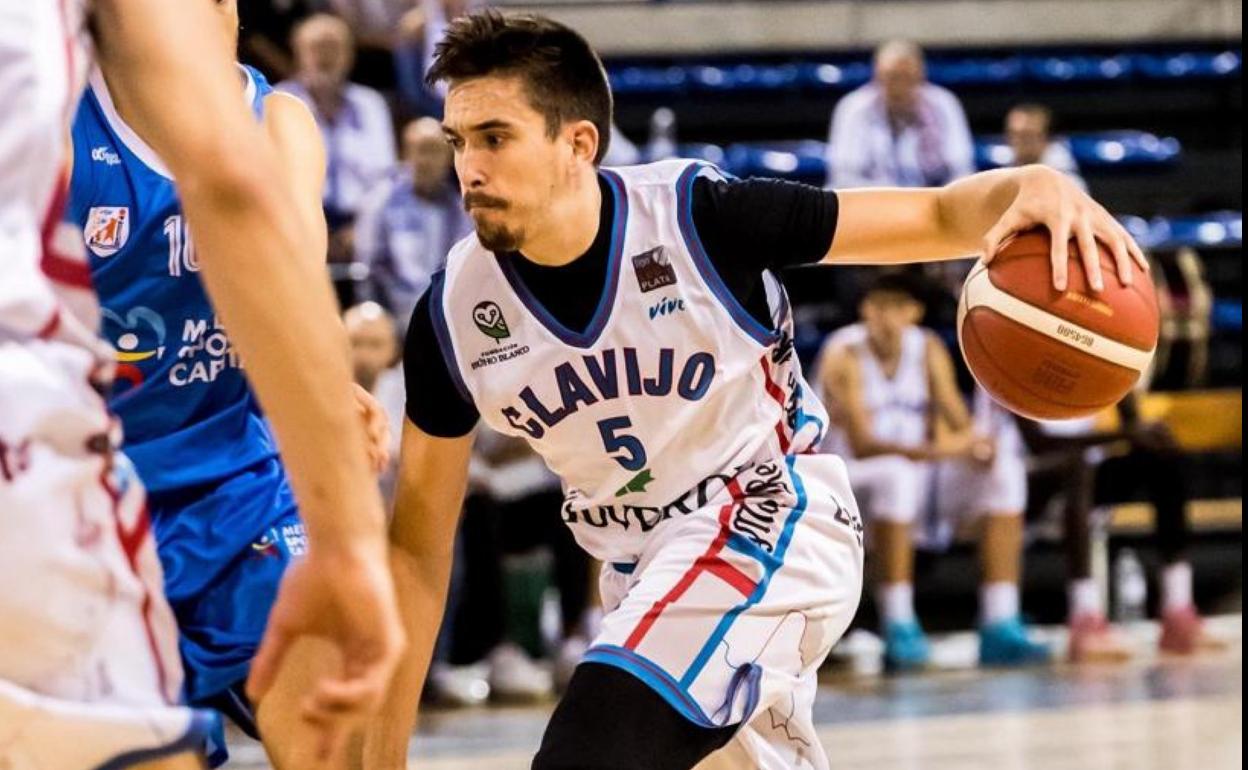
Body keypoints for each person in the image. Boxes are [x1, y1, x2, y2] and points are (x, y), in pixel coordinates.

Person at [367, 12, 1145, 770]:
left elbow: (937, 214)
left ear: (578, 144)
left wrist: (1032, 186)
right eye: (458, 141)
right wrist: (379, 755)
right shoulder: (452, 316)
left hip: (771, 518)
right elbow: (418, 550)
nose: (469, 166)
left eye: (495, 138)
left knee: (590, 749)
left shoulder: (703, 219)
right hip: (640, 575)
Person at [1, 1, 402, 769]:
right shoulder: (55, 116)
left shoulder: (278, 120)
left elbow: (290, 271)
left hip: (237, 485)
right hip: (85, 484)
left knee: (331, 741)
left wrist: (319, 384)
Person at [814, 273, 1049, 671]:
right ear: (863, 309)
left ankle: (999, 620)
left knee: (1003, 471)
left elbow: (957, 423)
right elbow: (863, 443)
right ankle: (899, 624)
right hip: (842, 483)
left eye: (896, 307)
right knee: (896, 473)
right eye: (877, 306)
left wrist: (974, 445)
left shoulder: (927, 348)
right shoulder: (843, 352)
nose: (885, 317)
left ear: (914, 313)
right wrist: (940, 448)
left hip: (913, 478)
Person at [1020, 393, 1225, 662]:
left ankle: (1178, 609)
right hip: (1025, 483)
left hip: (1086, 475)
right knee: (1077, 465)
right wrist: (1121, 435)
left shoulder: (1103, 353)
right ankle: (1084, 618)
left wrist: (1142, 432)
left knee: (1164, 454)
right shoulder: (1013, 357)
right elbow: (1038, 444)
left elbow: (1134, 425)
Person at [279, 13, 397, 263]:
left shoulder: (370, 105)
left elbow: (385, 179)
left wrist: (361, 229)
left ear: (350, 55)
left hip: (360, 229)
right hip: (297, 225)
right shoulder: (279, 103)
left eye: (334, 47)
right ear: (299, 54)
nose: (326, 57)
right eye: (316, 48)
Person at [355, 117, 472, 334]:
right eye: (420, 150)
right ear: (405, 153)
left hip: (447, 320)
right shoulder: (380, 202)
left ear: (449, 158)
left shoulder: (460, 208)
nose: (426, 160)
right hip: (396, 322)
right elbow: (369, 273)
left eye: (435, 151)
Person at [826, 40, 975, 189]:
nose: (899, 87)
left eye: (906, 77)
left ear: (920, 75)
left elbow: (961, 170)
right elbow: (843, 178)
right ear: (877, 76)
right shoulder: (854, 107)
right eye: (892, 77)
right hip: (872, 203)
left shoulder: (943, 104)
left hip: (930, 201)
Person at [1004, 103, 1086, 190]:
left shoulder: (1069, 182)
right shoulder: (1003, 175)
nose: (1018, 141)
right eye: (1013, 134)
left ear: (1046, 137)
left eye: (1027, 135)